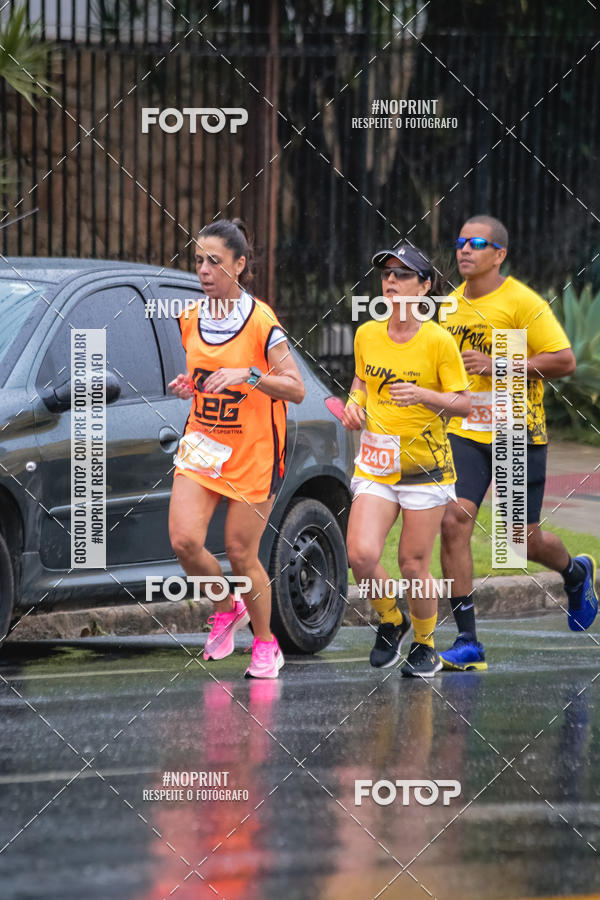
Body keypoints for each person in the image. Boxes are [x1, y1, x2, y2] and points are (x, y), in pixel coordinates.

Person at [439, 214, 599, 671]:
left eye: (476, 244)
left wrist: (500, 364)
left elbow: (564, 361)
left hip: (516, 432)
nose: (464, 250)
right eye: (461, 242)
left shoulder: (523, 303)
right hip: (466, 432)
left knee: (518, 541)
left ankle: (575, 572)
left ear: (499, 255)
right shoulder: (449, 307)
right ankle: (468, 641)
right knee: (454, 522)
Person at [168, 218, 305, 679]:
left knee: (241, 553)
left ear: (240, 265)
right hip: (203, 444)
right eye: (198, 261)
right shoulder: (189, 317)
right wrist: (191, 386)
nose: (203, 270)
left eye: (214, 261)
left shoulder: (261, 322)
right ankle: (228, 606)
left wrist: (249, 375)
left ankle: (266, 643)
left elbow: (296, 388)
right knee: (185, 540)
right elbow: (205, 375)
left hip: (254, 450)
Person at [342, 244, 471, 677]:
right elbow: (362, 381)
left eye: (402, 274)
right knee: (360, 554)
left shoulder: (438, 341)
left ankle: (425, 643)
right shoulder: (367, 334)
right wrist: (354, 405)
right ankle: (391, 619)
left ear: (424, 286)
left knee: (413, 564)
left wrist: (422, 395)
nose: (392, 282)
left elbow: (463, 403)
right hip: (377, 463)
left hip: (425, 468)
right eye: (387, 275)